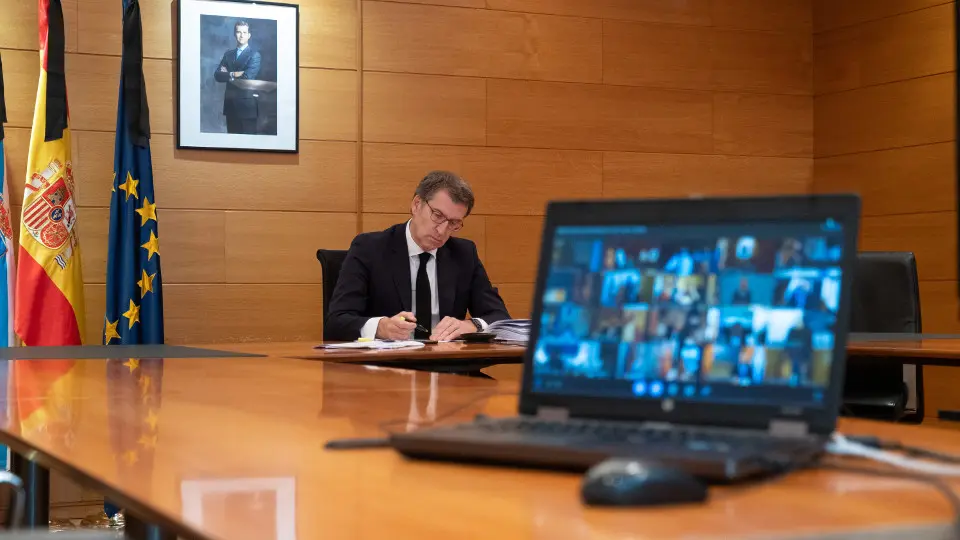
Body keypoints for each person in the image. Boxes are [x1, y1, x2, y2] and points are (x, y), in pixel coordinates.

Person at [326, 171, 510, 341]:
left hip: (449, 367)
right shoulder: (369, 248)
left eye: (454, 223)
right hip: (387, 368)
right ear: (416, 205)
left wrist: (470, 325)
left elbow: (500, 317)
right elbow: (337, 322)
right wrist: (381, 327)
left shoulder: (464, 254)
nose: (442, 230)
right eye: (437, 215)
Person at [213, 20, 262, 134]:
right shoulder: (228, 54)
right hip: (230, 107)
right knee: (232, 146)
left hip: (246, 108)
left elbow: (246, 79)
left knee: (248, 147)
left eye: (244, 32)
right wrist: (234, 74)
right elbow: (217, 75)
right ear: (235, 34)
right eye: (238, 32)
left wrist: (227, 74)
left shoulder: (254, 55)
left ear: (249, 35)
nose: (241, 35)